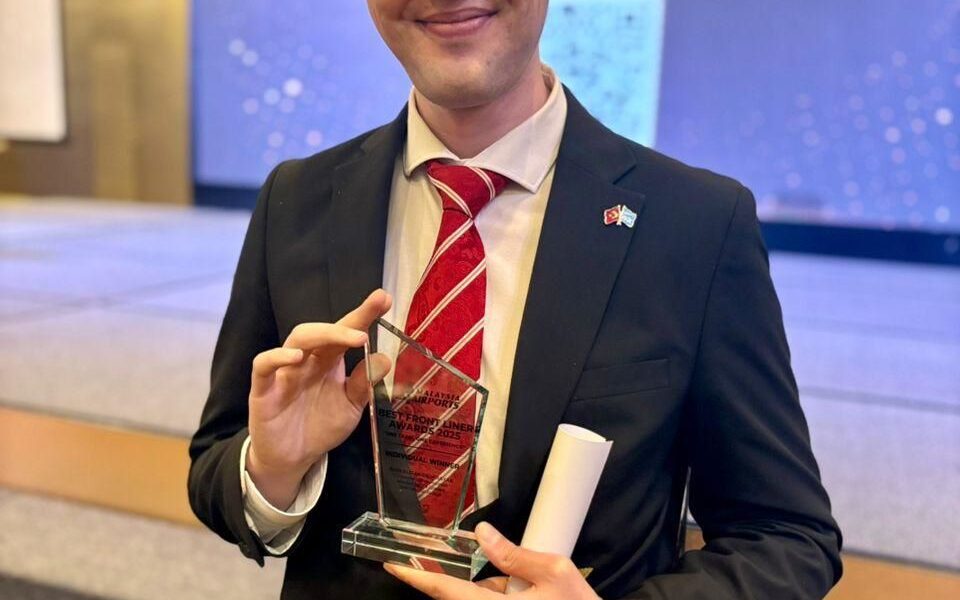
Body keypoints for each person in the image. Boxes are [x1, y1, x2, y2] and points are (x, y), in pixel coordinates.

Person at [188, 1, 843, 598]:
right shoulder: (299, 200)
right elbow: (216, 467)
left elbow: (785, 537)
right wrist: (274, 468)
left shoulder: (694, 222)